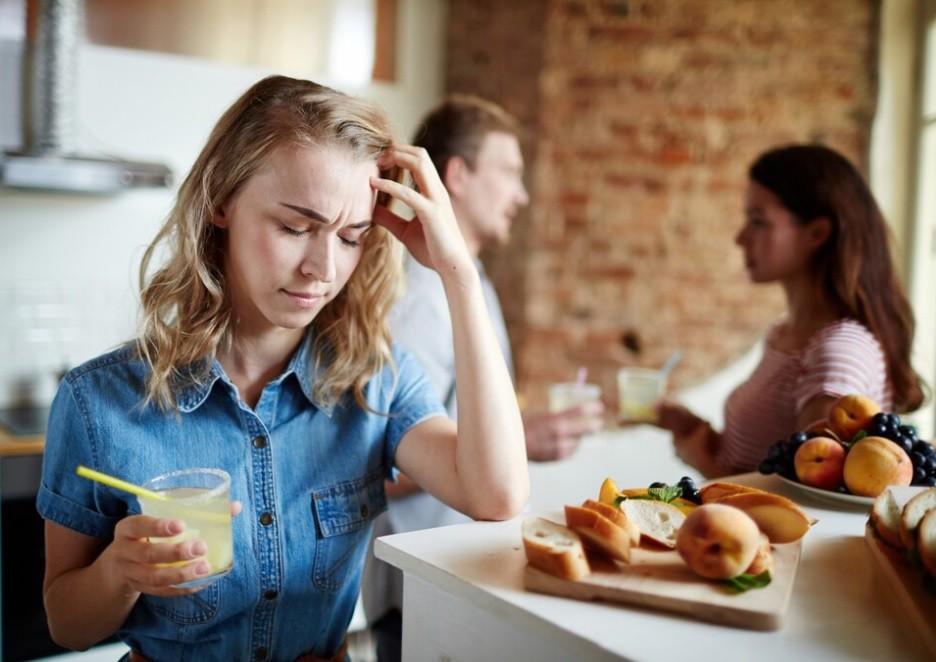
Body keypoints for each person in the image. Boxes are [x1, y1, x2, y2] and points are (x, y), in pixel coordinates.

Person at [36, 75, 528, 661]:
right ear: (221, 201)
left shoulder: (374, 380)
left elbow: (495, 495)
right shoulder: (98, 402)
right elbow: (66, 625)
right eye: (296, 227)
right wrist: (119, 570)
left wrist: (458, 273)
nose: (322, 267)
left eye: (351, 237)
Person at [361, 94, 604, 662]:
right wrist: (515, 442)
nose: (522, 195)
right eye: (511, 173)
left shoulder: (468, 283)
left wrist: (513, 431)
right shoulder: (420, 301)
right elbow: (377, 462)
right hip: (420, 587)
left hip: (456, 574)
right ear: (458, 176)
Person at [655, 143, 925, 478]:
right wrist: (701, 432)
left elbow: (807, 505)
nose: (740, 237)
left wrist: (703, 462)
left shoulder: (838, 351)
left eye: (758, 221)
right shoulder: (784, 334)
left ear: (817, 233)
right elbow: (765, 459)